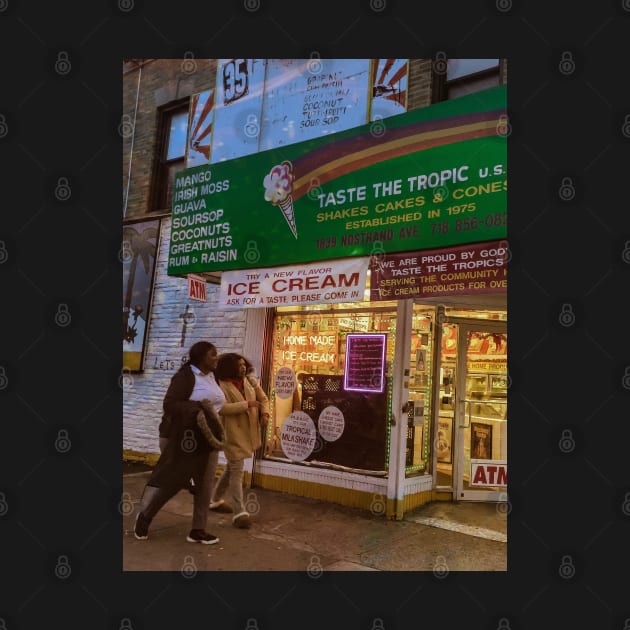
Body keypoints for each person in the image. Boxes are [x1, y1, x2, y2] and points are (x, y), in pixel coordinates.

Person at [134, 341, 226, 544]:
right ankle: (145, 517)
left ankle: (198, 530)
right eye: (212, 355)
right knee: (174, 482)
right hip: (183, 439)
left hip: (208, 438)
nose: (216, 358)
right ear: (200, 357)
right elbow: (170, 404)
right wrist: (197, 409)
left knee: (205, 485)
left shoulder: (213, 376)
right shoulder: (185, 377)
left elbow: (217, 406)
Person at [209, 353, 270, 529]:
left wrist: (265, 413)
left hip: (249, 430)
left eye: (244, 364)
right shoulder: (221, 385)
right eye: (239, 365)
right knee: (237, 471)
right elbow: (221, 408)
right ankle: (239, 512)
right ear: (229, 367)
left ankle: (214, 500)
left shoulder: (250, 380)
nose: (243, 367)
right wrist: (247, 405)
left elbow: (263, 398)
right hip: (232, 433)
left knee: (232, 467)